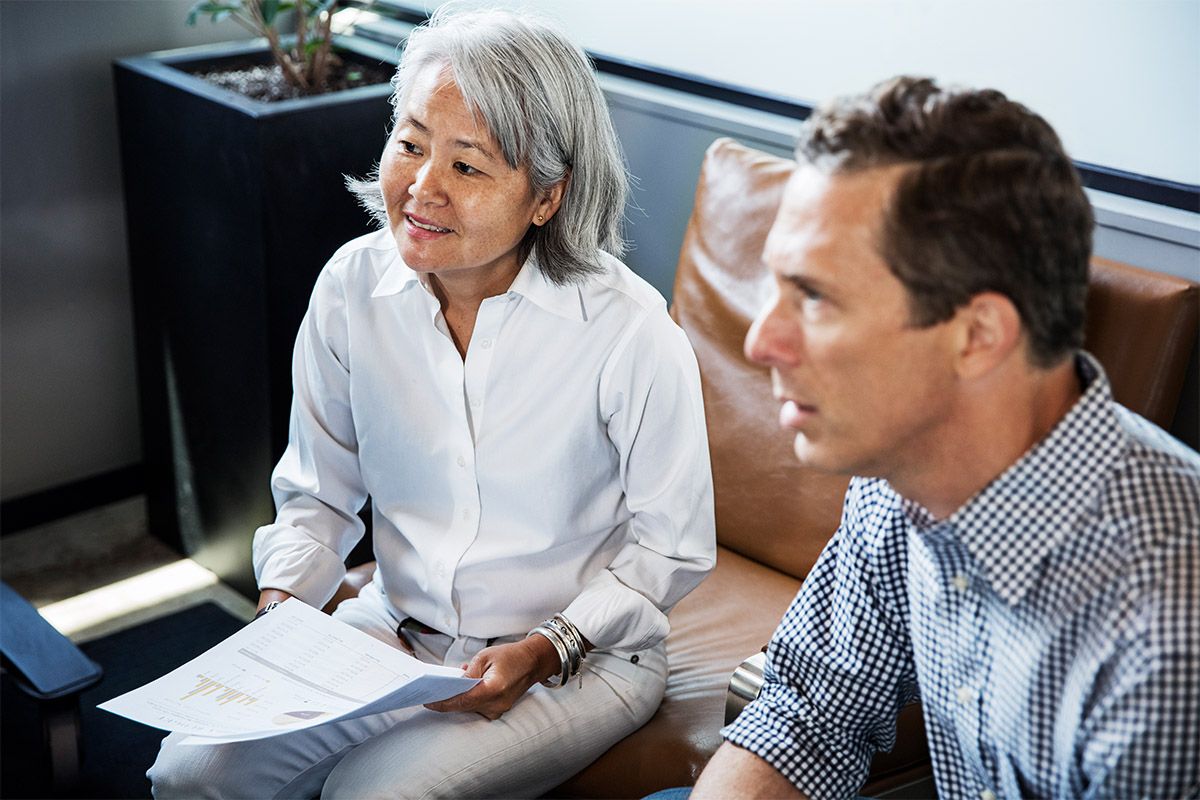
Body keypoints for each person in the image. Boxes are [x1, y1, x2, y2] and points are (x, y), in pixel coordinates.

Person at [148, 7, 715, 799]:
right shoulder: (352, 288)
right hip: (390, 631)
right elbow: (317, 493)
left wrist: (547, 646)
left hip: (576, 661)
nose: (421, 188)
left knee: (373, 795)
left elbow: (671, 548)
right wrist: (283, 613)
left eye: (469, 167)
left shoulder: (628, 333)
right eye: (411, 144)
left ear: (547, 196)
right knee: (190, 771)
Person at [690, 76, 1199, 799]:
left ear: (977, 336)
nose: (761, 340)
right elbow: (807, 716)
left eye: (814, 296)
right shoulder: (898, 480)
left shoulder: (1168, 635)